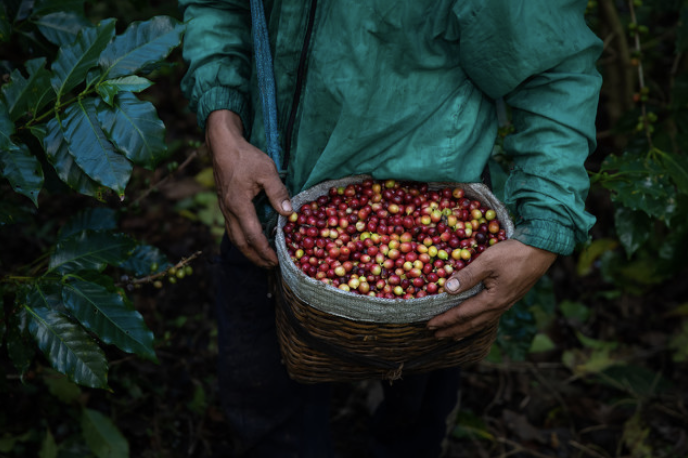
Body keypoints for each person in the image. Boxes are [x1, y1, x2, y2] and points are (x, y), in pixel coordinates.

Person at [178, 0, 602, 456]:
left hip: (434, 228)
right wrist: (224, 127)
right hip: (264, 207)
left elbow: (553, 70)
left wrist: (545, 226)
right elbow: (218, 6)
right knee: (265, 409)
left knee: (415, 418)